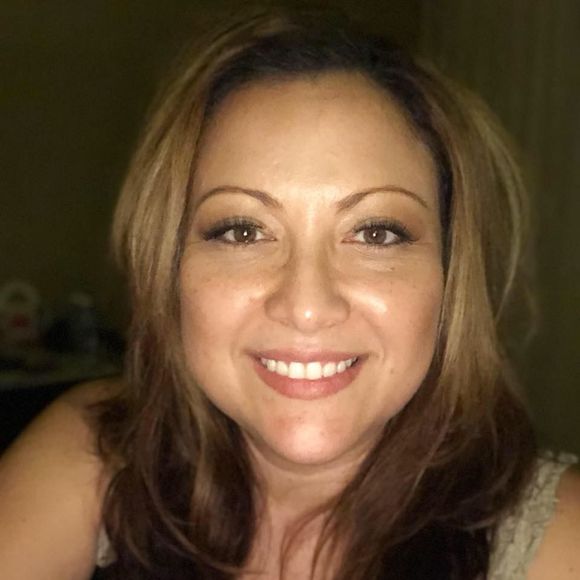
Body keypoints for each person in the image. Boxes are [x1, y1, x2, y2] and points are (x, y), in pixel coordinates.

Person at [0, 6, 579, 580]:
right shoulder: (93, 454)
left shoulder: (560, 540)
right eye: (243, 231)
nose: (305, 306)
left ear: (449, 274)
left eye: (375, 233)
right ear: (170, 266)